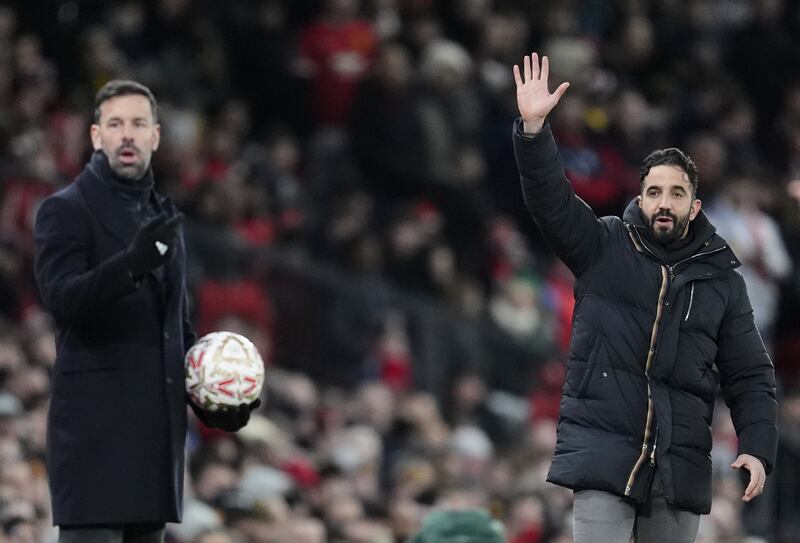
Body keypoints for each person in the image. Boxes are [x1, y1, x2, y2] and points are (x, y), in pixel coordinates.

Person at [511, 53, 778, 542]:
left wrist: (758, 444)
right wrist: (533, 133)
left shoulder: (722, 278)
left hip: (680, 466)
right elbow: (550, 201)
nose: (663, 202)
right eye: (654, 191)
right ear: (640, 196)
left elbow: (750, 373)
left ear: (694, 205)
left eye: (676, 194)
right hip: (603, 452)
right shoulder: (605, 243)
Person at [34, 80, 258, 543]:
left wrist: (214, 399)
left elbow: (178, 328)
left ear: (156, 136)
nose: (128, 135)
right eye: (115, 124)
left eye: (139, 124)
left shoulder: (164, 216)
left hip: (154, 442)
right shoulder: (65, 209)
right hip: (95, 437)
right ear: (96, 136)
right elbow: (62, 301)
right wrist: (130, 264)